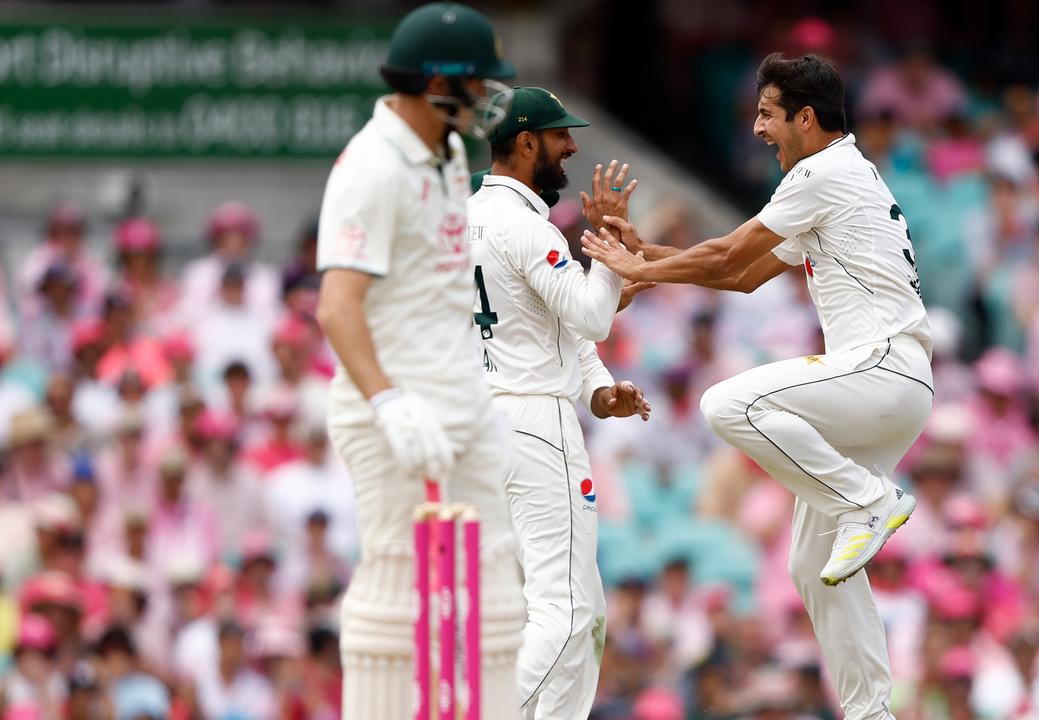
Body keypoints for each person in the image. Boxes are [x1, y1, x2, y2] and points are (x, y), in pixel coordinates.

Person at [582, 52, 933, 718]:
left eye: (768, 114)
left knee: (727, 402)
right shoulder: (840, 177)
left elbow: (724, 256)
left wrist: (638, 266)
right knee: (812, 566)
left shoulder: (822, 172)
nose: (756, 130)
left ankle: (867, 499)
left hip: (882, 371)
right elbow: (740, 274)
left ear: (807, 118)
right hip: (887, 390)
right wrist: (645, 256)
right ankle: (871, 712)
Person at [314, 3, 523, 717]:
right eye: (478, 85)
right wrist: (388, 404)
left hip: (459, 401)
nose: (488, 99)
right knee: (399, 595)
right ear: (440, 81)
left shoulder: (449, 152)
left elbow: (442, 292)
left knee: (498, 594)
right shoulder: (372, 166)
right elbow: (337, 308)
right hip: (395, 413)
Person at [467, 87, 651, 718]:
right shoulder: (525, 224)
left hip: (485, 423)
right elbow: (593, 314)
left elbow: (556, 329)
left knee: (581, 611)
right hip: (533, 426)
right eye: (558, 136)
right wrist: (607, 241)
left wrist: (599, 391)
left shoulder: (462, 220)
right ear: (525, 143)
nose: (571, 147)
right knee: (566, 609)